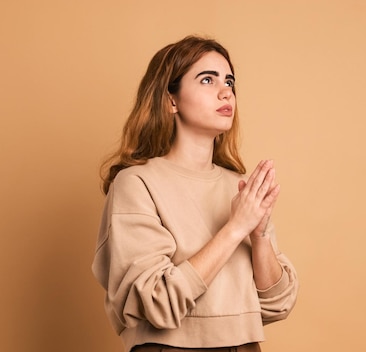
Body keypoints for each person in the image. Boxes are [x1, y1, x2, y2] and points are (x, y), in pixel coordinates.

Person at [92, 35, 298, 352]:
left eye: (229, 81)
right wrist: (235, 228)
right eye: (207, 79)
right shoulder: (136, 183)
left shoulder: (238, 187)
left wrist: (258, 236)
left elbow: (277, 303)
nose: (225, 90)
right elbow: (158, 303)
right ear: (170, 100)